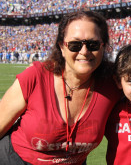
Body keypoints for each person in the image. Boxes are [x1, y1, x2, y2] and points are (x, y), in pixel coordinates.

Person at [0, 11, 122, 164]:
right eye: (74, 45)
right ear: (62, 47)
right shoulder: (35, 77)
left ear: (103, 46)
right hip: (15, 159)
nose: (84, 52)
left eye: (93, 44)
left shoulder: (115, 81)